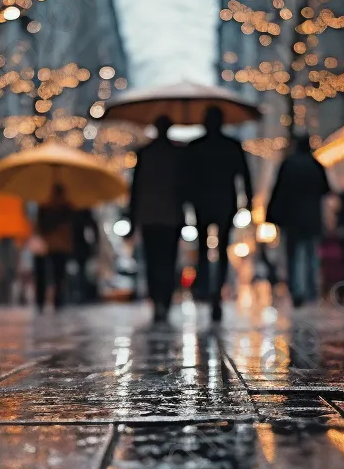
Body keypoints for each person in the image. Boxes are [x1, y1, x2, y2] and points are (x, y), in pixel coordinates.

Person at [185, 105, 253, 322]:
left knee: (204, 249)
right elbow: (244, 175)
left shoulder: (195, 147)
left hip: (203, 204)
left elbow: (187, 179)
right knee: (222, 249)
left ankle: (206, 288)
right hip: (225, 203)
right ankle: (216, 293)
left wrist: (186, 200)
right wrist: (248, 201)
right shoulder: (231, 146)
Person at [129, 115, 185, 324]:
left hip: (149, 215)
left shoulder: (145, 153)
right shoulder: (178, 154)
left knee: (153, 261)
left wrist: (133, 219)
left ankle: (158, 301)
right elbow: (184, 187)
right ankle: (165, 301)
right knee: (168, 261)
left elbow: (135, 189)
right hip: (170, 215)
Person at [266, 134, 330, 308]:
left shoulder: (288, 165)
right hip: (312, 218)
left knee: (293, 256)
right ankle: (311, 290)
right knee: (311, 254)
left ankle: (297, 290)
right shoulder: (316, 166)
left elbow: (277, 190)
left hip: (292, 219)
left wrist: (271, 214)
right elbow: (326, 189)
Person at [34, 183, 75, 312]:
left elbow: (41, 226)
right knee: (58, 275)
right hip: (59, 245)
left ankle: (42, 301)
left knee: (46, 275)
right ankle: (58, 301)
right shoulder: (67, 207)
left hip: (49, 245)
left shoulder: (46, 206)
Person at [72, 207, 100, 303]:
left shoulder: (76, 214)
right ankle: (83, 293)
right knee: (83, 270)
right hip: (81, 247)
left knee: (83, 270)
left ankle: (83, 293)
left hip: (79, 247)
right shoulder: (85, 214)